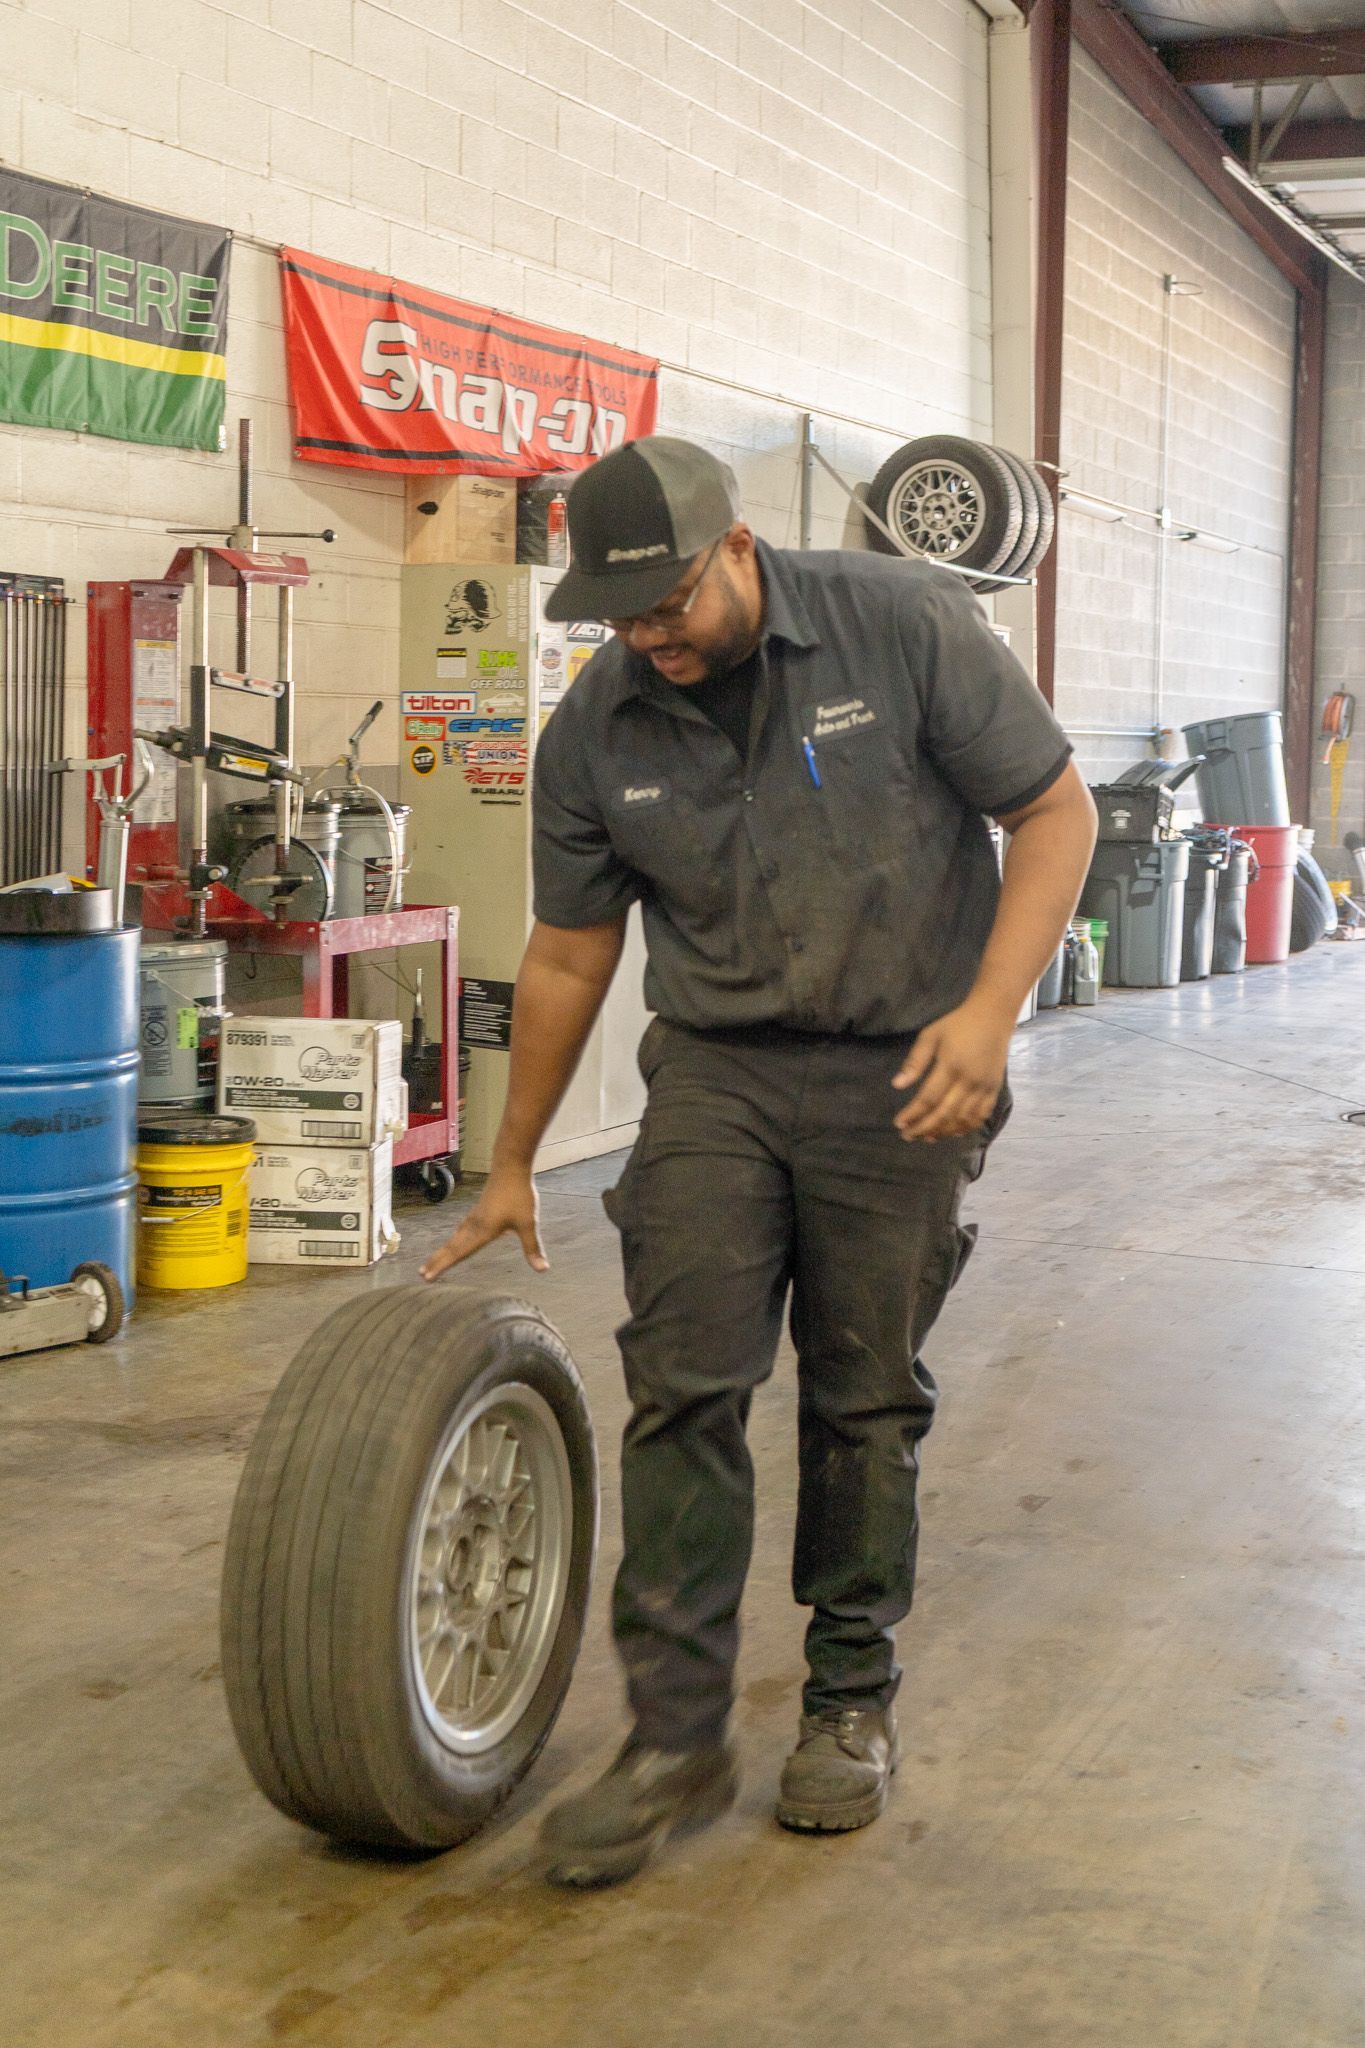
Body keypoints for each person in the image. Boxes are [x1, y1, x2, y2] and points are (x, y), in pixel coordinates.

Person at [421, 434, 1097, 1888]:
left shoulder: (899, 623)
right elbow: (565, 951)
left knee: (861, 1398)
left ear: (735, 547)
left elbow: (1053, 810)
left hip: (902, 1069)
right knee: (683, 1387)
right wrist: (510, 1158)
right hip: (718, 1072)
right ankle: (673, 1737)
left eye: (665, 603)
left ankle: (847, 1698)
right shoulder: (597, 726)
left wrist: (988, 1017)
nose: (647, 638)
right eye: (617, 618)